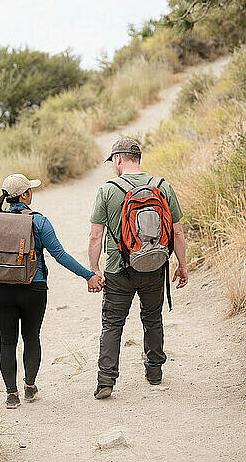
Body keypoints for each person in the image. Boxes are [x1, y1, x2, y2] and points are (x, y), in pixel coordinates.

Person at [0, 173, 104, 409]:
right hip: (34, 288)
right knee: (31, 338)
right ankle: (29, 387)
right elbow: (59, 255)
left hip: (1, 289)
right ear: (25, 195)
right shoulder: (39, 222)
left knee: (7, 343)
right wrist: (89, 275)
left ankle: (11, 394)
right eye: (30, 190)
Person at [88, 138, 188, 399]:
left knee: (112, 324)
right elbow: (177, 231)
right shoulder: (162, 186)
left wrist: (94, 270)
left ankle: (106, 381)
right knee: (152, 317)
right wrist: (182, 266)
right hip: (155, 266)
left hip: (118, 269)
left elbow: (95, 236)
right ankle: (154, 371)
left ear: (118, 159)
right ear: (138, 158)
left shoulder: (107, 190)